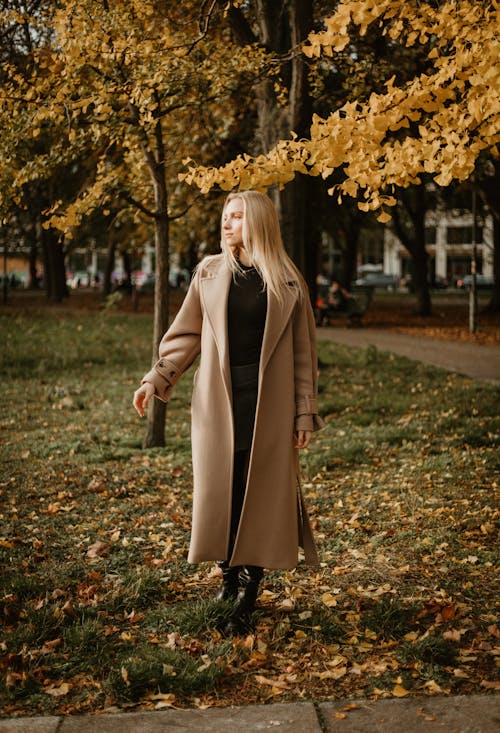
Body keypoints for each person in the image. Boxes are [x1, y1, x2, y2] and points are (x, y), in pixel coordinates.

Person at [133, 190, 324, 635]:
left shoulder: (288, 282)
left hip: (269, 406)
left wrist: (303, 414)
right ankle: (227, 579)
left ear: (257, 222)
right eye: (225, 217)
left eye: (236, 217)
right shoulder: (210, 273)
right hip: (217, 405)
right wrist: (155, 378)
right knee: (222, 491)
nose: (227, 224)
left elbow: (303, 355)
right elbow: (186, 334)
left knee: (260, 493)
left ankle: (249, 591)